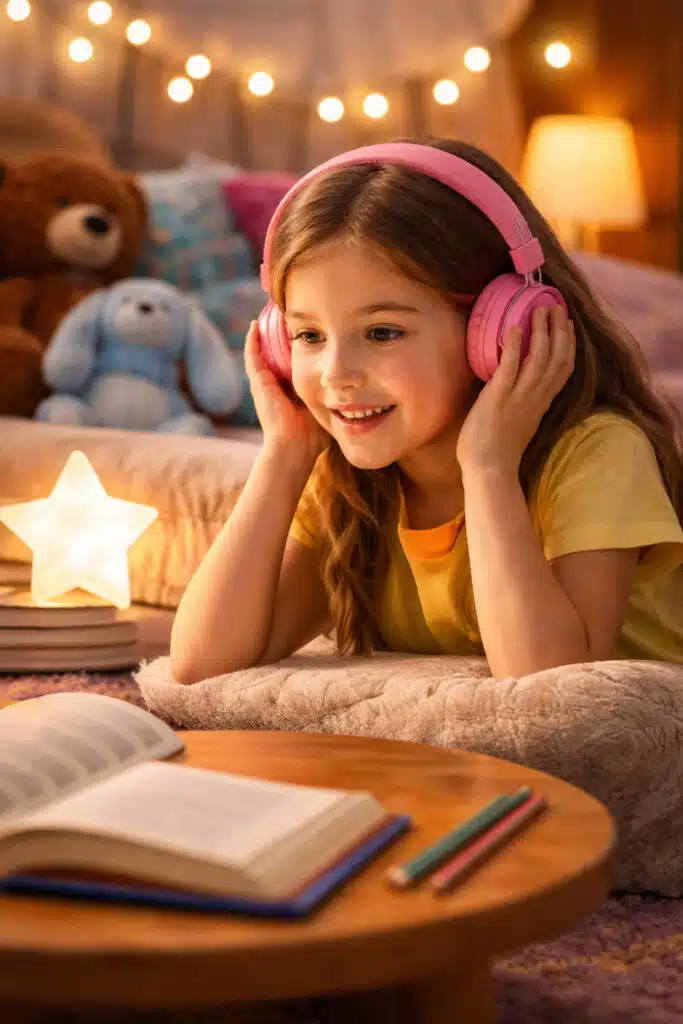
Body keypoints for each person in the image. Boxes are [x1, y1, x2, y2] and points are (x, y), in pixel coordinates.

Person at [170, 137, 683, 684]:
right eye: (308, 335)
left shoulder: (597, 453)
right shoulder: (347, 482)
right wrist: (283, 455)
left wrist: (488, 470)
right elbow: (202, 663)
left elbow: (549, 687)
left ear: (504, 329)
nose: (336, 373)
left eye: (383, 332)